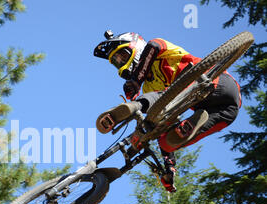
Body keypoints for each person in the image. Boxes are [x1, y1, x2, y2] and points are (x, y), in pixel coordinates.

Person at [94, 31, 241, 192]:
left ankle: (134, 106)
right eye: (116, 61)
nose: (121, 62)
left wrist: (136, 80)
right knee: (167, 140)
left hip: (214, 80)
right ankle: (184, 127)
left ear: (135, 45)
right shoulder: (149, 88)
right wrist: (169, 167)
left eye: (122, 55)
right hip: (223, 112)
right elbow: (163, 121)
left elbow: (153, 46)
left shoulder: (160, 50)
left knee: (164, 95)